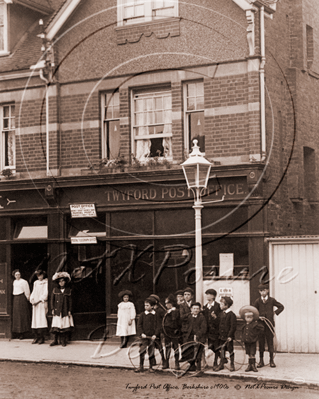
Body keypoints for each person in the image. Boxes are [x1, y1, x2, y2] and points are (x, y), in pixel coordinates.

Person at [254, 283, 284, 368]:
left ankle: (271, 361)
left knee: (270, 343)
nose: (262, 292)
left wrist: (274, 313)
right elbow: (254, 311)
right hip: (260, 325)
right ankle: (261, 361)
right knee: (261, 343)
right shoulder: (257, 301)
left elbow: (281, 307)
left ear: (267, 290)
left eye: (264, 290)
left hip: (269, 324)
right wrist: (259, 317)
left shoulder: (272, 300)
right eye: (260, 291)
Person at [135, 297, 161, 373]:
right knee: (142, 350)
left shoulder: (155, 315)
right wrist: (142, 333)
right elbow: (139, 325)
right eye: (145, 305)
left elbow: (158, 326)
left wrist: (155, 335)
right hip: (144, 337)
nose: (146, 307)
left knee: (151, 351)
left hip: (152, 337)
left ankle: (151, 367)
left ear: (152, 306)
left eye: (147, 305)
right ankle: (141, 366)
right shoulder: (142, 315)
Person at [181, 302, 207, 372]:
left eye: (197, 309)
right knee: (189, 351)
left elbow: (203, 329)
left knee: (198, 353)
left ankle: (198, 369)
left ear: (199, 310)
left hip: (199, 337)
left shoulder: (202, 317)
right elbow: (182, 319)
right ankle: (192, 366)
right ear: (191, 309)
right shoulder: (189, 317)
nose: (196, 310)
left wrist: (197, 335)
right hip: (190, 337)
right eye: (194, 308)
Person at [50, 272, 74, 347]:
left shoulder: (68, 290)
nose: (61, 283)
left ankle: (63, 340)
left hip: (65, 310)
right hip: (57, 310)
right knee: (56, 325)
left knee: (64, 326)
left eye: (63, 281)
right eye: (60, 281)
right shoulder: (55, 290)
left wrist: (69, 310)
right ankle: (55, 340)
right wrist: (53, 308)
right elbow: (52, 300)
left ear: (65, 282)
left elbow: (70, 301)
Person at [239, 305, 264, 372]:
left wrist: (256, 335)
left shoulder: (255, 325)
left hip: (252, 341)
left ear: (253, 317)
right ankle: (249, 365)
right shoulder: (244, 326)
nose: (249, 318)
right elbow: (242, 333)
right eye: (247, 317)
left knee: (252, 353)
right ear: (245, 318)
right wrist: (242, 339)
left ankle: (253, 366)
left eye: (250, 317)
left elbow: (262, 328)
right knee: (249, 353)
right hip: (246, 342)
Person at [215, 296, 237, 372]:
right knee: (222, 350)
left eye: (221, 304)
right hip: (221, 336)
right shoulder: (221, 314)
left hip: (228, 337)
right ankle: (221, 364)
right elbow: (218, 323)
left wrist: (230, 336)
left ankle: (232, 364)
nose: (220, 306)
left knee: (230, 349)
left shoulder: (231, 315)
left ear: (226, 305)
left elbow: (233, 326)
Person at [203, 288, 221, 370]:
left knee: (216, 346)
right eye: (207, 294)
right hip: (208, 331)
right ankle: (222, 358)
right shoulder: (205, 306)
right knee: (210, 347)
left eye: (209, 294)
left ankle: (215, 362)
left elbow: (221, 319)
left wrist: (215, 317)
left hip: (216, 330)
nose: (207, 296)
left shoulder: (218, 306)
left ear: (213, 296)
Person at [162, 294, 181, 370]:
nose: (166, 305)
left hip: (174, 332)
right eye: (166, 303)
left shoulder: (176, 311)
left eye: (167, 303)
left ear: (171, 303)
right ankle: (166, 362)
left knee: (175, 347)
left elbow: (175, 320)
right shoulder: (167, 311)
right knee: (167, 347)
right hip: (167, 332)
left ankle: (177, 363)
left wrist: (172, 311)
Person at [30, 270, 48, 344]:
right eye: (38, 276)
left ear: (43, 275)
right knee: (35, 320)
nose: (39, 277)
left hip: (41, 303)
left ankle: (41, 337)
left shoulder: (45, 283)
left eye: (40, 275)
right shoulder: (36, 283)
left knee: (41, 320)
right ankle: (36, 337)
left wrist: (39, 300)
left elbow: (45, 293)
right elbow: (34, 292)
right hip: (35, 304)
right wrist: (32, 300)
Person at [12, 269, 31, 339]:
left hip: (22, 298)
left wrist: (28, 298)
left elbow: (27, 291)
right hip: (16, 298)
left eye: (19, 274)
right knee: (16, 316)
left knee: (22, 315)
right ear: (14, 276)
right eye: (16, 275)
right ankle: (17, 332)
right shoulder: (14, 282)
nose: (17, 276)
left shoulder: (24, 282)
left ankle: (23, 333)